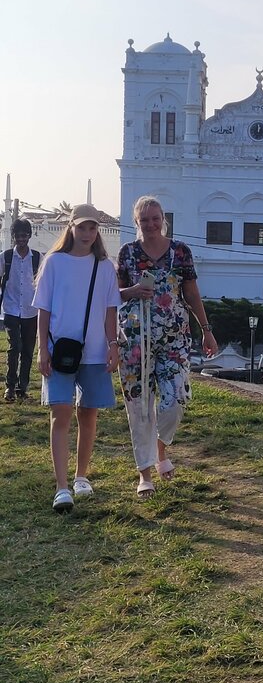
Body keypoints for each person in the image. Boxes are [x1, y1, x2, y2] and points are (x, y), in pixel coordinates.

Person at [116, 196, 217, 499]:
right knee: (140, 407)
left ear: (163, 219)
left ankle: (160, 449)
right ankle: (145, 472)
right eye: (144, 219)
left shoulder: (180, 252)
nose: (150, 224)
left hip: (174, 338)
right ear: (137, 222)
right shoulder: (128, 253)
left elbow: (191, 291)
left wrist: (206, 329)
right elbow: (113, 295)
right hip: (135, 339)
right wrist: (133, 290)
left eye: (155, 218)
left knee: (174, 401)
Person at [33, 204, 121, 513]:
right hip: (60, 350)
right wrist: (42, 349)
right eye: (82, 227)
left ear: (97, 231)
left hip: (95, 351)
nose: (87, 233)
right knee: (61, 413)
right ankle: (61, 486)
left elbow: (111, 311)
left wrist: (113, 345)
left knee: (88, 414)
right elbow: (42, 309)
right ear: (70, 228)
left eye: (92, 228)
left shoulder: (105, 266)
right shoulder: (54, 262)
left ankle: (81, 475)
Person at [0, 218, 41, 401]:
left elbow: (44, 283)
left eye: (24, 236)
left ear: (29, 236)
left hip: (31, 310)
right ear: (13, 237)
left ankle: (22, 388)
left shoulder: (38, 258)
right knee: (13, 347)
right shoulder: (6, 257)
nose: (21, 239)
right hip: (10, 308)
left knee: (27, 350)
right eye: (18, 236)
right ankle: (9, 387)